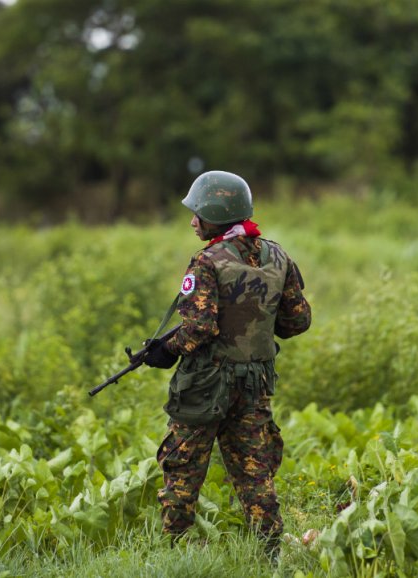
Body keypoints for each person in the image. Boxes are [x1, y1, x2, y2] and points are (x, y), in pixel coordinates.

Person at [143, 170, 311, 559]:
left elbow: (198, 328)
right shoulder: (278, 256)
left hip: (205, 384)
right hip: (254, 383)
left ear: (215, 214)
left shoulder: (207, 261)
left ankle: (170, 551)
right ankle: (270, 554)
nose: (192, 221)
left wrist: (166, 350)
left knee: (183, 467)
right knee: (255, 472)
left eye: (197, 213)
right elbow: (298, 321)